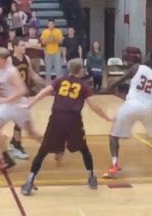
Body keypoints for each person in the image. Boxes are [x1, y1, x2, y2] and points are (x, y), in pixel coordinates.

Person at [21, 58, 111, 195]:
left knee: (42, 151)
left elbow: (44, 92)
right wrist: (106, 117)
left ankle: (29, 182)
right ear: (80, 70)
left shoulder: (60, 81)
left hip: (56, 119)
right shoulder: (84, 85)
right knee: (84, 149)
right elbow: (94, 106)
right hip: (73, 120)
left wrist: (31, 102)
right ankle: (91, 177)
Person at [102, 51, 152, 178]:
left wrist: (108, 88)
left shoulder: (137, 67)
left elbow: (121, 79)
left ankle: (115, 164)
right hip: (148, 109)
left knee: (113, 137)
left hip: (131, 105)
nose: (145, 57)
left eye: (148, 56)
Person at [0, 47, 42, 170]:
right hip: (7, 106)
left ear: (3, 60)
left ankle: (54, 146)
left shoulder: (11, 71)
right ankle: (7, 159)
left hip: (19, 105)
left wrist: (5, 99)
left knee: (32, 134)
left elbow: (23, 90)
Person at [8, 38, 46, 159]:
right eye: (22, 45)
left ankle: (15, 143)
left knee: (22, 121)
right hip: (14, 94)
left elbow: (32, 74)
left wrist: (44, 83)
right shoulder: (10, 60)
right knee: (21, 120)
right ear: (15, 47)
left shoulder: (27, 59)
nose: (25, 47)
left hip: (24, 94)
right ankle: (16, 145)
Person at [41, 19, 63, 83]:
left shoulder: (58, 31)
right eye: (49, 24)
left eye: (52, 23)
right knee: (48, 70)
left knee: (58, 70)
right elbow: (42, 42)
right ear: (48, 24)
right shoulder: (44, 32)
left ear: (54, 24)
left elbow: (61, 41)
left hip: (57, 53)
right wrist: (48, 40)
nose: (51, 25)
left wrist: (54, 40)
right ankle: (48, 84)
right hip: (48, 53)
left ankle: (59, 83)